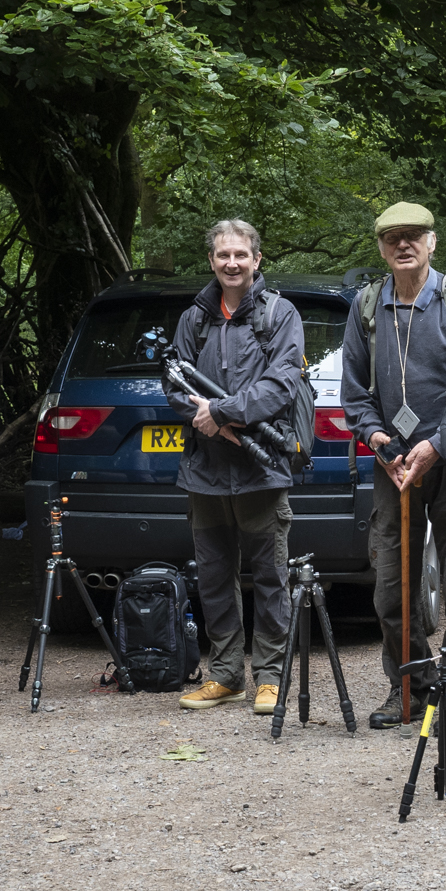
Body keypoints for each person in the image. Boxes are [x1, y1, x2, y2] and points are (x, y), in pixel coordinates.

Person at [341, 201, 446, 731]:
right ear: (382, 249)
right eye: (393, 238)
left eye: (414, 236)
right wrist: (378, 439)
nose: (403, 245)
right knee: (391, 583)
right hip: (395, 468)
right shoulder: (366, 306)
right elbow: (354, 393)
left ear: (432, 242)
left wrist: (434, 445)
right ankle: (409, 687)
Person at [166, 219, 306, 716]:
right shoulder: (195, 317)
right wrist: (202, 418)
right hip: (204, 469)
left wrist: (223, 414)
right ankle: (226, 675)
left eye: (241, 255)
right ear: (212, 261)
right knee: (213, 575)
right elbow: (174, 381)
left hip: (260, 468)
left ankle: (270, 677)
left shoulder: (279, 314)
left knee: (270, 575)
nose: (232, 263)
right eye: (223, 255)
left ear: (256, 260)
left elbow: (282, 383)